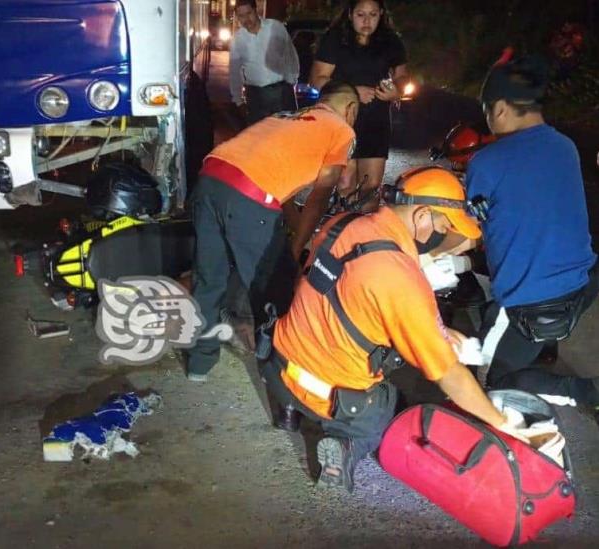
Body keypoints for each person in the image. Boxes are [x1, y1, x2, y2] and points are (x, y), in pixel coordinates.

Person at [262, 166, 526, 493]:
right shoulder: (401, 278)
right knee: (390, 408)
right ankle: (346, 448)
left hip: (279, 362)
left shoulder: (341, 224)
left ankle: (287, 410)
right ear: (423, 217)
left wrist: (437, 332)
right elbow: (450, 374)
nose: (451, 241)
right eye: (446, 227)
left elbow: (351, 298)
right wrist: (502, 423)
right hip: (327, 394)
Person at [186, 81, 359, 382]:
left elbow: (281, 189)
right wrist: (297, 248)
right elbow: (320, 198)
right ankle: (278, 374)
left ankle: (199, 364)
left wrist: (290, 230)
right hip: (247, 196)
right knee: (274, 288)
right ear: (350, 109)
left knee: (209, 277)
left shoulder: (285, 117)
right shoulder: (341, 129)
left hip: (210, 178)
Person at [467, 53, 598, 407]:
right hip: (583, 283)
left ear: (501, 110)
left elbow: (466, 233)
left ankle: (586, 392)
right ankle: (541, 348)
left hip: (531, 302)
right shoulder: (565, 147)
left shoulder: (486, 161)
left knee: (492, 388)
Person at [310, 0, 408, 202]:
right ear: (350, 14)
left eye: (373, 15)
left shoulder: (390, 41)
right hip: (342, 119)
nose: (366, 21)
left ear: (381, 14)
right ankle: (339, 230)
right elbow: (317, 79)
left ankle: (366, 232)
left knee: (371, 188)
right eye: (360, 14)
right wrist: (353, 92)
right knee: (345, 184)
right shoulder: (336, 39)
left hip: (376, 121)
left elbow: (403, 76)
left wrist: (396, 91)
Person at [229, 0, 300, 126]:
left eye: (249, 13)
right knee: (259, 139)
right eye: (241, 16)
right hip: (256, 97)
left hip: (281, 93)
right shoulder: (238, 39)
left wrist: (291, 83)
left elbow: (290, 55)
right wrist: (239, 101)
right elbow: (235, 72)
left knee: (285, 135)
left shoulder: (275, 28)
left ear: (256, 11)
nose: (246, 19)